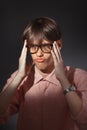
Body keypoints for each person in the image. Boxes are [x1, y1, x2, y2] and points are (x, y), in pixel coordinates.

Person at [0, 17, 87, 130]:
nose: (39, 53)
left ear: (58, 45)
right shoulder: (20, 78)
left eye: (45, 46)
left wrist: (63, 80)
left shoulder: (79, 77)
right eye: (34, 46)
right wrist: (19, 76)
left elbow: (84, 120)